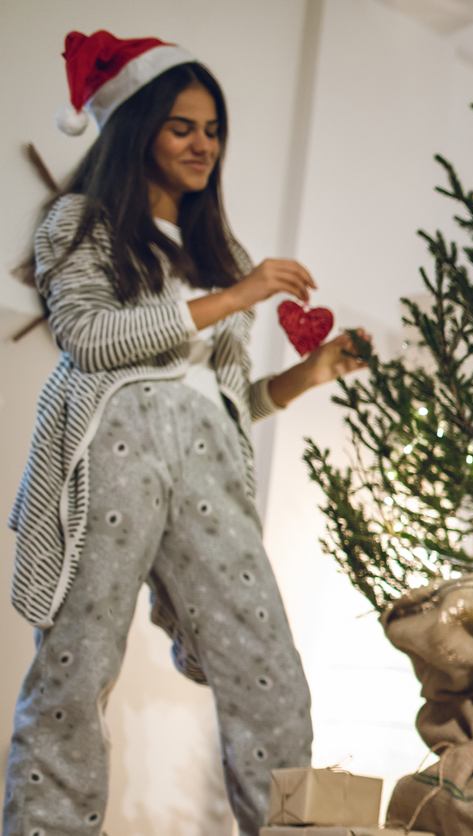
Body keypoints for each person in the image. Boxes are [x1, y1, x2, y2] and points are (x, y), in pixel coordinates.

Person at [4, 31, 370, 836]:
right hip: (111, 454)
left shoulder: (214, 251)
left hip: (208, 467)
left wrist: (315, 373)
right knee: (76, 666)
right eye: (182, 127)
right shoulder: (80, 220)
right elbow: (91, 338)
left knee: (269, 672)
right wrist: (235, 296)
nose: (204, 144)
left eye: (213, 130)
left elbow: (230, 398)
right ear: (137, 127)